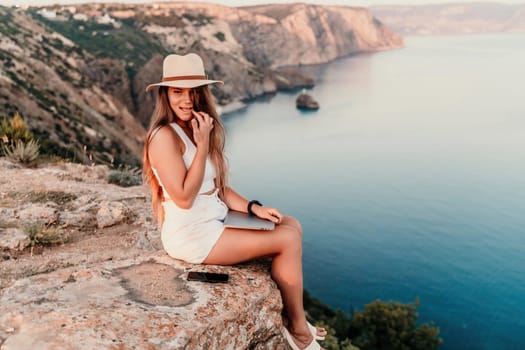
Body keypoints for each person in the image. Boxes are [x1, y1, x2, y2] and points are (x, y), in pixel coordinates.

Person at [143, 53, 326, 350]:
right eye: (178, 92)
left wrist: (254, 208)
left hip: (213, 220)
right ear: (165, 94)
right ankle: (298, 329)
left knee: (290, 224)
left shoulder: (197, 126)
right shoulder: (164, 137)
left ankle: (295, 319)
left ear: (202, 94)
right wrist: (202, 145)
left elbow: (219, 188)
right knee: (288, 241)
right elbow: (184, 198)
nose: (187, 100)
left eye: (193, 92)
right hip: (191, 235)